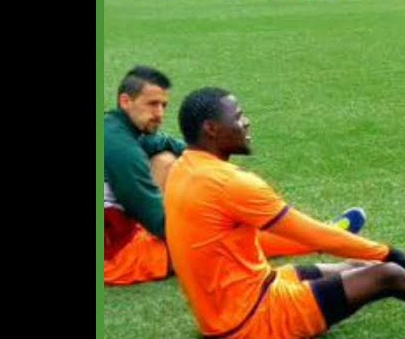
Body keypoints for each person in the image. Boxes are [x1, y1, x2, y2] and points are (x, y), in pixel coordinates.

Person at [164, 86, 405, 339]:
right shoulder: (230, 183)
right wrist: (388, 251)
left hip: (239, 298)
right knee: (385, 274)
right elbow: (315, 234)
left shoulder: (185, 168)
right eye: (239, 116)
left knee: (353, 264)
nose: (247, 122)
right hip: (251, 318)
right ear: (212, 129)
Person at [103, 66, 366, 287]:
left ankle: (319, 235)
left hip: (121, 232)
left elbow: (163, 143)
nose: (159, 113)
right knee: (221, 240)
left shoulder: (115, 128)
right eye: (152, 104)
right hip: (114, 259)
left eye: (163, 105)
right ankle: (321, 238)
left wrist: (206, 163)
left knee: (167, 160)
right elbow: (165, 228)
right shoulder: (122, 151)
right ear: (125, 102)